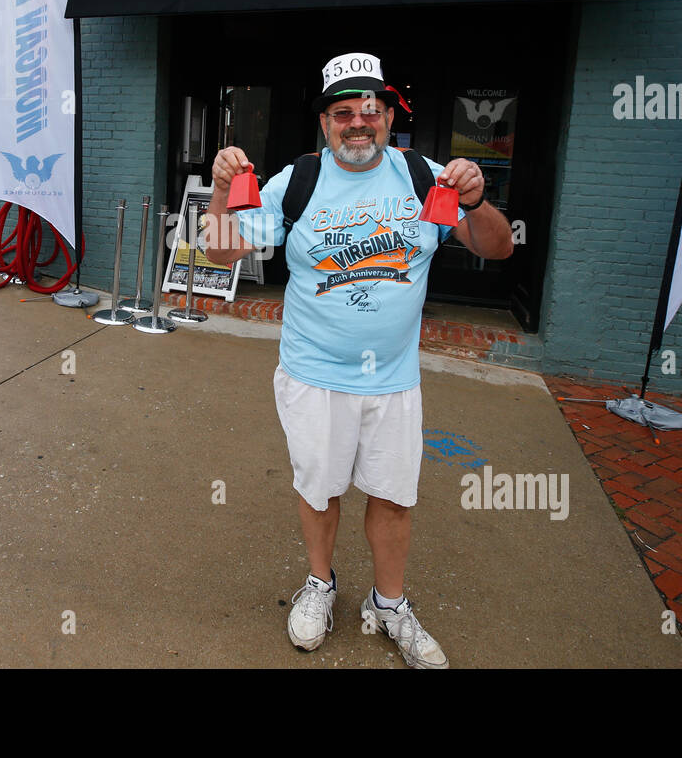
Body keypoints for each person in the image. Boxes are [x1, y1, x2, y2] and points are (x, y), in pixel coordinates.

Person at [204, 52, 514, 669]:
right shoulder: (299, 181)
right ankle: (320, 584)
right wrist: (218, 191)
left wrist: (478, 203)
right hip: (313, 375)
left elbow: (497, 248)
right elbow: (220, 254)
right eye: (342, 112)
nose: (357, 123)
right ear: (325, 123)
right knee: (320, 491)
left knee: (394, 496)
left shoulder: (427, 179)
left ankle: (390, 603)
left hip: (394, 381)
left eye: (370, 110)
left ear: (390, 115)